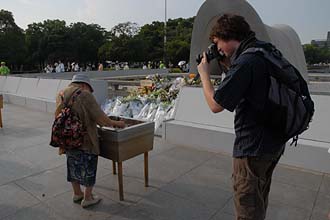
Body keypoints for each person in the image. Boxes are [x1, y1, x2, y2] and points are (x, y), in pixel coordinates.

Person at [197, 14, 287, 220]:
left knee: (247, 208)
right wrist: (227, 62)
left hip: (252, 148)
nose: (218, 50)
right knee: (258, 200)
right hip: (273, 144)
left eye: (218, 44)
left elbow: (215, 104)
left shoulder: (246, 62)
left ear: (227, 36)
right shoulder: (264, 50)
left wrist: (203, 73)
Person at [55, 73, 125, 208]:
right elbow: (101, 119)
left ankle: (77, 193)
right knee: (89, 166)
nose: (89, 91)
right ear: (83, 85)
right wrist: (117, 124)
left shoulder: (61, 94)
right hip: (85, 139)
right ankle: (87, 197)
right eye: (89, 88)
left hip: (68, 138)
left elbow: (57, 115)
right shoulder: (84, 94)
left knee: (72, 165)